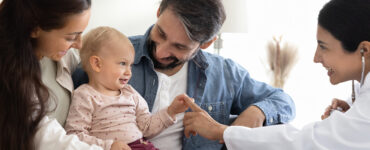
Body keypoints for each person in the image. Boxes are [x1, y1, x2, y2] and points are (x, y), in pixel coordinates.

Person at [72, 0, 296, 149]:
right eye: (161, 32)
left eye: (179, 47)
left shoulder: (225, 74)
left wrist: (256, 112)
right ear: (159, 12)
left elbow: (283, 101)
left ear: (207, 43)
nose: (161, 51)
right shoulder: (110, 58)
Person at [181, 0, 370, 149]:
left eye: (323, 47)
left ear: (364, 51)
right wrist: (351, 113)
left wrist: (223, 132)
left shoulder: (227, 72)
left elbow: (303, 142)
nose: (316, 58)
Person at [65, 26, 191, 150]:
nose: (129, 72)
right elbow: (75, 135)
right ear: (97, 64)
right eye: (122, 63)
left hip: (142, 145)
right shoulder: (85, 95)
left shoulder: (130, 93)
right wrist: (108, 146)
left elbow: (146, 126)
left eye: (130, 65)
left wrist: (171, 111)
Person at [0, 0, 103, 149]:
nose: (79, 44)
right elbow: (42, 134)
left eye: (81, 34)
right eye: (70, 37)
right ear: (34, 28)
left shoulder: (63, 55)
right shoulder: (10, 76)